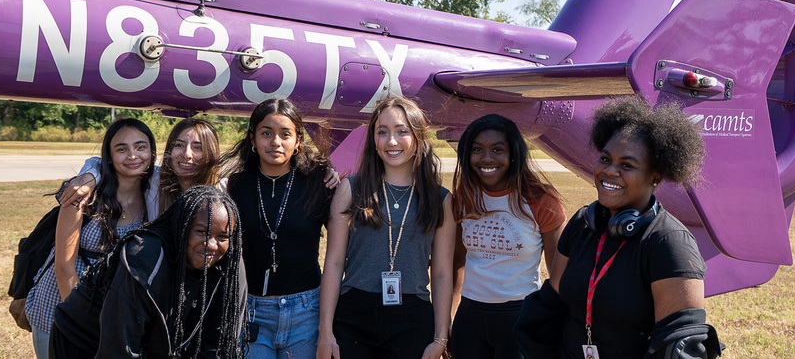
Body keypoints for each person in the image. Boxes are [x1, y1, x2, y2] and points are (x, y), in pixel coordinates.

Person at [546, 95, 710, 358]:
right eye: (605, 159)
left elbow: (679, 345)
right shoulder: (582, 223)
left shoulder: (670, 242)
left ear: (655, 177)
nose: (610, 171)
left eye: (627, 165)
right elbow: (551, 305)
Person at [317, 96, 455, 359]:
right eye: (383, 132)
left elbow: (441, 274)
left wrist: (440, 337)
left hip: (413, 318)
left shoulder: (440, 199)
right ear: (373, 139)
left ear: (418, 138)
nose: (391, 141)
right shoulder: (351, 189)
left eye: (402, 131)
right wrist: (325, 332)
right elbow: (333, 263)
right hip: (354, 316)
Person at [49, 185, 248, 359]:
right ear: (182, 228)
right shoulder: (145, 258)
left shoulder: (229, 268)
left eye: (222, 236)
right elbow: (119, 349)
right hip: (83, 340)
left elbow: (217, 346)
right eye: (201, 232)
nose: (211, 245)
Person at [25, 117, 155, 359]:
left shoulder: (154, 197)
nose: (133, 155)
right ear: (109, 156)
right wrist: (80, 320)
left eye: (140, 147)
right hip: (61, 309)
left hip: (109, 319)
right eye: (121, 149)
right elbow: (64, 266)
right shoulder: (82, 196)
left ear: (151, 151)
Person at [222, 98, 336, 358]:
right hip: (251, 311)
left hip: (306, 311)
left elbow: (341, 250)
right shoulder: (235, 186)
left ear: (298, 142)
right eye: (266, 133)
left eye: (285, 134)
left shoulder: (319, 183)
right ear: (253, 139)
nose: (275, 142)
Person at [449, 114, 566, 359]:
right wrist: (448, 318)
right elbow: (457, 264)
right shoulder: (465, 196)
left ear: (513, 153)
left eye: (497, 149)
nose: (487, 158)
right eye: (477, 149)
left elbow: (559, 276)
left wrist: (552, 324)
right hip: (470, 317)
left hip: (520, 316)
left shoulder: (540, 199)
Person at [62, 117, 223, 218]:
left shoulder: (224, 191)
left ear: (211, 153)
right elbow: (103, 161)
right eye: (179, 145)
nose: (187, 154)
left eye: (198, 147)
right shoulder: (156, 182)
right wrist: (89, 177)